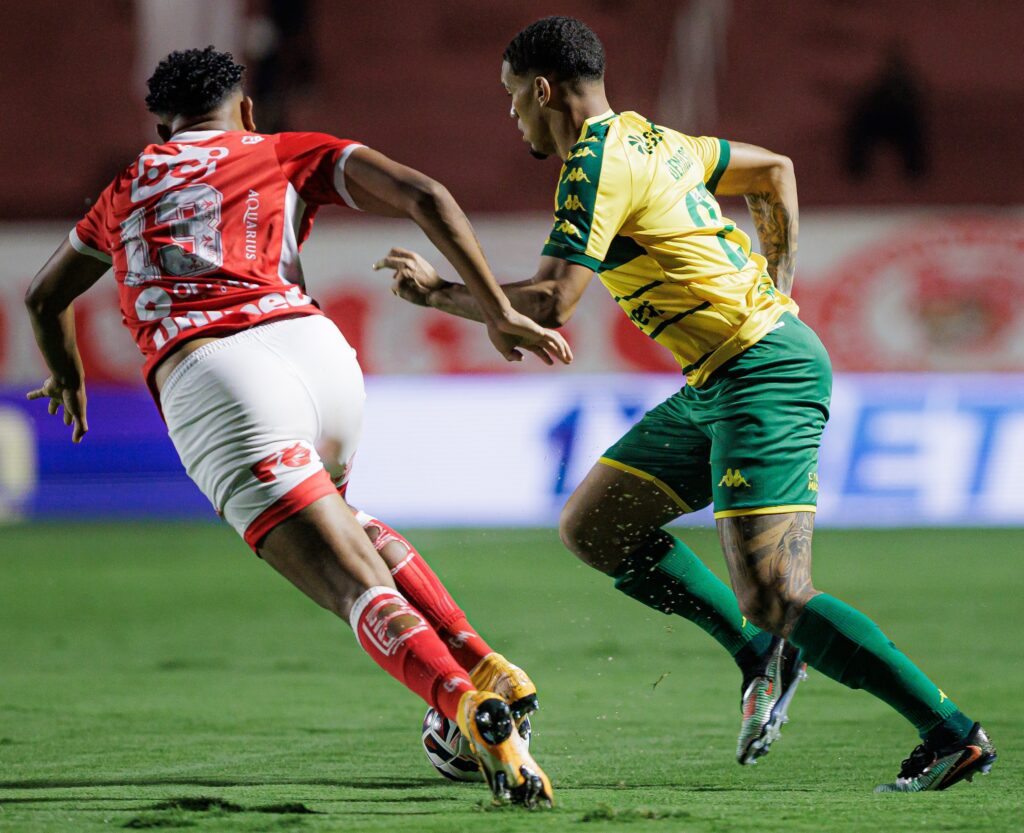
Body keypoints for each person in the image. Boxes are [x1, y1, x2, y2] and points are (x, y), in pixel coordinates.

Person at [377, 17, 995, 791]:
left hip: (763, 373)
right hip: (721, 376)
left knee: (777, 593)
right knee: (595, 525)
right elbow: (775, 172)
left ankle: (950, 733)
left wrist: (437, 293)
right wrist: (778, 286)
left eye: (513, 98)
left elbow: (553, 301)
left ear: (543, 90)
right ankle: (758, 650)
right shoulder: (656, 140)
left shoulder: (594, 162)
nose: (513, 115)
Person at [24, 46, 560, 808]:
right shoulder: (279, 150)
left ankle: (467, 708)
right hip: (320, 357)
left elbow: (43, 297)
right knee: (345, 522)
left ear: (163, 129)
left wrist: (68, 374)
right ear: (245, 110)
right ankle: (484, 663)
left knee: (349, 584)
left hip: (218, 379)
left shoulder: (127, 185)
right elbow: (425, 194)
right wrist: (498, 311)